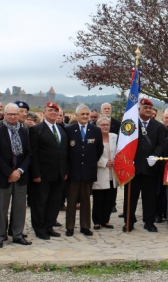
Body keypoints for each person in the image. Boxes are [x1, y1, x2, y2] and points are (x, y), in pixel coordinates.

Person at [0, 103, 32, 248]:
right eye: (10, 114)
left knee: (19, 207)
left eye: (15, 114)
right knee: (2, 207)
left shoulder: (24, 131)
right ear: (5, 115)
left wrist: (19, 171)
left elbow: (28, 154)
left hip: (20, 176)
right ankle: (0, 235)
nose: (13, 117)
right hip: (4, 176)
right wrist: (10, 172)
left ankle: (17, 234)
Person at [123, 98, 165, 232]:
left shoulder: (158, 126)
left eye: (150, 108)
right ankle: (129, 221)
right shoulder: (130, 124)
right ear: (138, 109)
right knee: (130, 197)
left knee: (150, 198)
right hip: (133, 167)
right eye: (145, 107)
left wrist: (155, 156)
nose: (148, 110)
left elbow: (161, 144)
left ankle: (149, 222)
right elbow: (125, 142)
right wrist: (129, 158)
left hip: (150, 167)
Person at [29, 102, 69, 239]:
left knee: (54, 202)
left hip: (58, 173)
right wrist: (35, 173)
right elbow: (33, 154)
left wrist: (65, 171)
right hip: (42, 174)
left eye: (55, 111)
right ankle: (40, 229)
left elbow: (65, 152)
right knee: (40, 203)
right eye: (50, 110)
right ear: (43, 113)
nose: (53, 112)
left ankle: (49, 226)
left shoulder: (61, 129)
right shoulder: (37, 130)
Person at [65, 104, 103, 236]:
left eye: (87, 114)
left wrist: (90, 162)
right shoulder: (69, 130)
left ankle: (85, 226)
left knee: (86, 200)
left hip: (88, 170)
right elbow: (66, 151)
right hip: (73, 171)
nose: (85, 116)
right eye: (82, 114)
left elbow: (99, 150)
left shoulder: (95, 130)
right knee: (71, 200)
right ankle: (70, 227)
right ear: (76, 116)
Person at [93, 117, 118, 230]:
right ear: (98, 126)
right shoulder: (94, 137)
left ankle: (106, 220)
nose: (105, 127)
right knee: (99, 198)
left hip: (112, 172)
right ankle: (97, 221)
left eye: (107, 125)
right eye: (102, 125)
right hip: (100, 171)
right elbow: (90, 155)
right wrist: (103, 162)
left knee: (110, 198)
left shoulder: (114, 137)